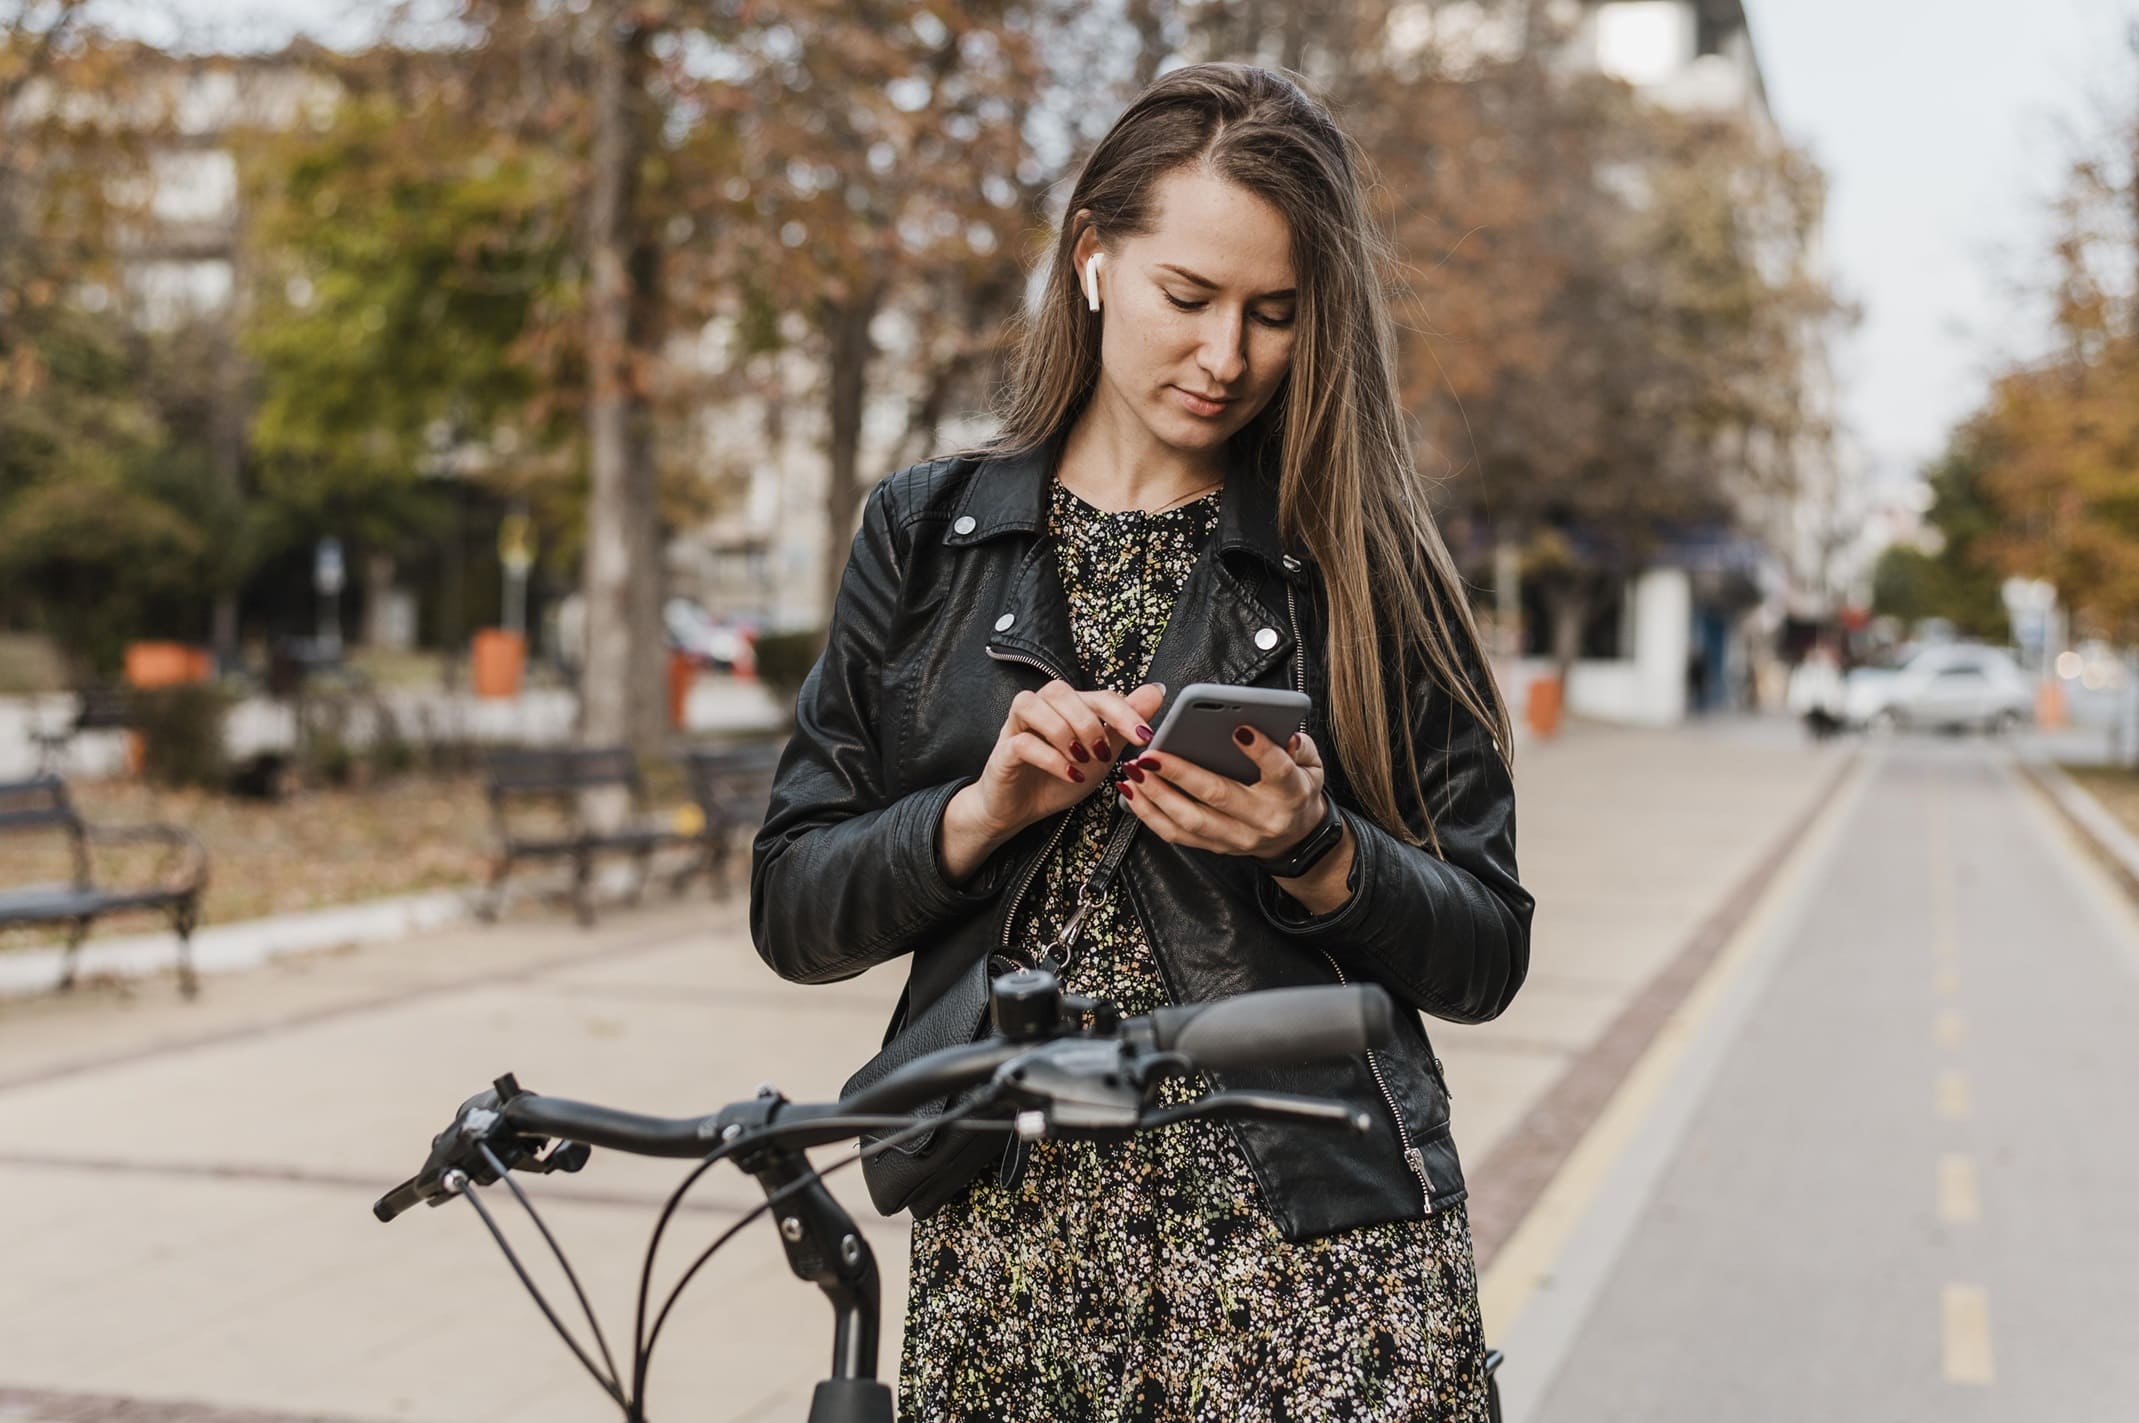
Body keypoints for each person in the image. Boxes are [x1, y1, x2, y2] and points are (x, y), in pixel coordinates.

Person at [751, 63, 1533, 1422]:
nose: (1226, 356)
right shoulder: (926, 533)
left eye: (1274, 315)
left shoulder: (1363, 563)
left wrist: (1317, 852)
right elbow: (793, 908)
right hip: (1013, 1265)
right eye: (1190, 298)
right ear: (1094, 259)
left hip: (1316, 1266)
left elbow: (1487, 949)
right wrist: (977, 812)